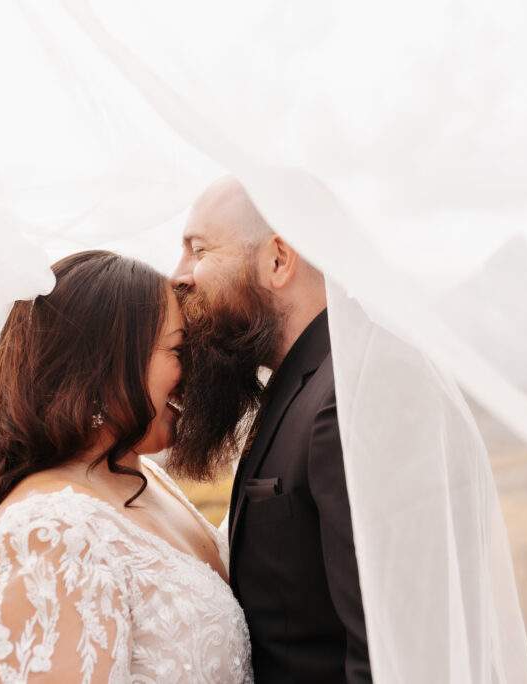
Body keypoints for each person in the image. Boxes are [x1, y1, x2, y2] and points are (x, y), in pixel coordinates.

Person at [0, 250, 253, 683]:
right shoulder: (44, 537)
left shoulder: (142, 478)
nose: (194, 370)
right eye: (179, 349)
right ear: (103, 367)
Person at [170, 176, 372, 684]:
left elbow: (386, 651)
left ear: (278, 261)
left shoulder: (346, 400)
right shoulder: (298, 385)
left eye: (198, 250)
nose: (178, 276)